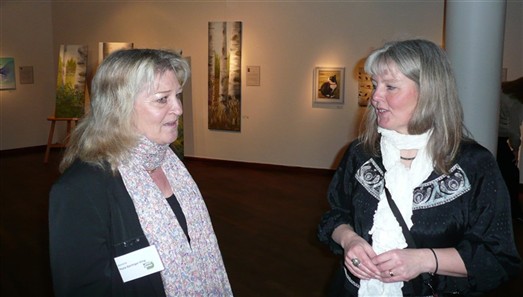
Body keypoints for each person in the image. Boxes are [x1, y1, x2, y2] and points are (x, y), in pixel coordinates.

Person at [317, 39, 521, 296]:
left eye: (391, 87)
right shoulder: (361, 154)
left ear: (429, 93)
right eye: (375, 85)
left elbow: (499, 257)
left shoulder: (474, 165)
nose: (375, 97)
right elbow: (335, 216)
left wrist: (424, 260)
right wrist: (350, 241)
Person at [49, 49, 233, 297]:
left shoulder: (169, 162)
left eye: (177, 96)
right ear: (119, 107)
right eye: (162, 99)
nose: (178, 109)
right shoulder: (80, 190)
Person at [497, 77, 523, 223]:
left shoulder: (503, 93)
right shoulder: (516, 103)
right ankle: (514, 212)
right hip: (500, 140)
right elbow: (514, 131)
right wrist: (516, 148)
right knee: (512, 175)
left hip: (494, 138)